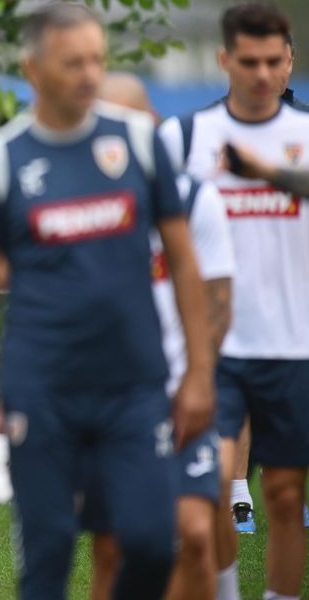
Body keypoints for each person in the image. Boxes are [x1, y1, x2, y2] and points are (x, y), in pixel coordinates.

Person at [0, 2, 215, 599]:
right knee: (47, 559)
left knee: (150, 542)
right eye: (73, 63)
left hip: (135, 388)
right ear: (33, 69)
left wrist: (199, 373)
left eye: (97, 59)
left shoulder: (141, 144)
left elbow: (183, 260)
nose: (90, 74)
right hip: (42, 391)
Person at [159, 2, 309, 600]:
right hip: (213, 345)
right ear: (225, 59)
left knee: (285, 493)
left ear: (289, 59)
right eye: (248, 61)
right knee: (215, 483)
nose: (262, 74)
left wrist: (267, 173)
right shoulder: (185, 137)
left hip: (293, 343)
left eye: (274, 61)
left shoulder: (304, 135)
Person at [85, 73, 235, 600]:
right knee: (112, 549)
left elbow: (219, 302)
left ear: (153, 127)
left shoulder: (194, 201)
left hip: (184, 392)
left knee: (198, 528)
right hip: (105, 400)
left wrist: (197, 377)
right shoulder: (80, 208)